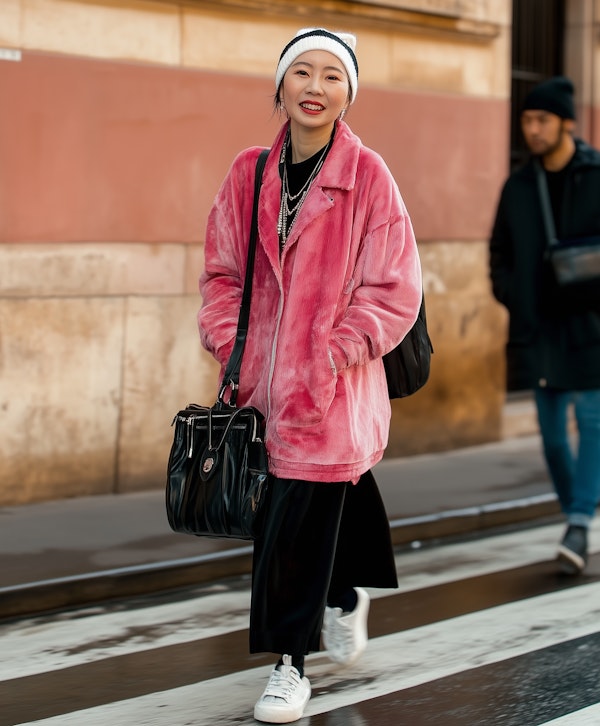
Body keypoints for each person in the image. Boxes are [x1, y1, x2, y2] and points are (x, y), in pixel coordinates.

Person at [198, 27, 422, 724]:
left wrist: (331, 351)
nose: (315, 87)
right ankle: (348, 594)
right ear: (281, 85)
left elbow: (394, 290)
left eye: (331, 76)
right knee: (315, 506)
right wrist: (232, 339)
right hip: (260, 394)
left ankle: (288, 666)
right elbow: (222, 272)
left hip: (333, 389)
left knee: (296, 521)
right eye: (302, 73)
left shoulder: (369, 177)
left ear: (348, 92)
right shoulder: (248, 173)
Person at [489, 76, 600, 576]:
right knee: (553, 438)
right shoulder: (518, 186)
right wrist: (515, 295)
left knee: (594, 424)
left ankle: (578, 522)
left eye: (542, 120)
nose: (532, 129)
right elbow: (499, 254)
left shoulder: (597, 175)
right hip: (540, 330)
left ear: (566, 123)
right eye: (527, 120)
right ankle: (575, 513)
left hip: (592, 326)